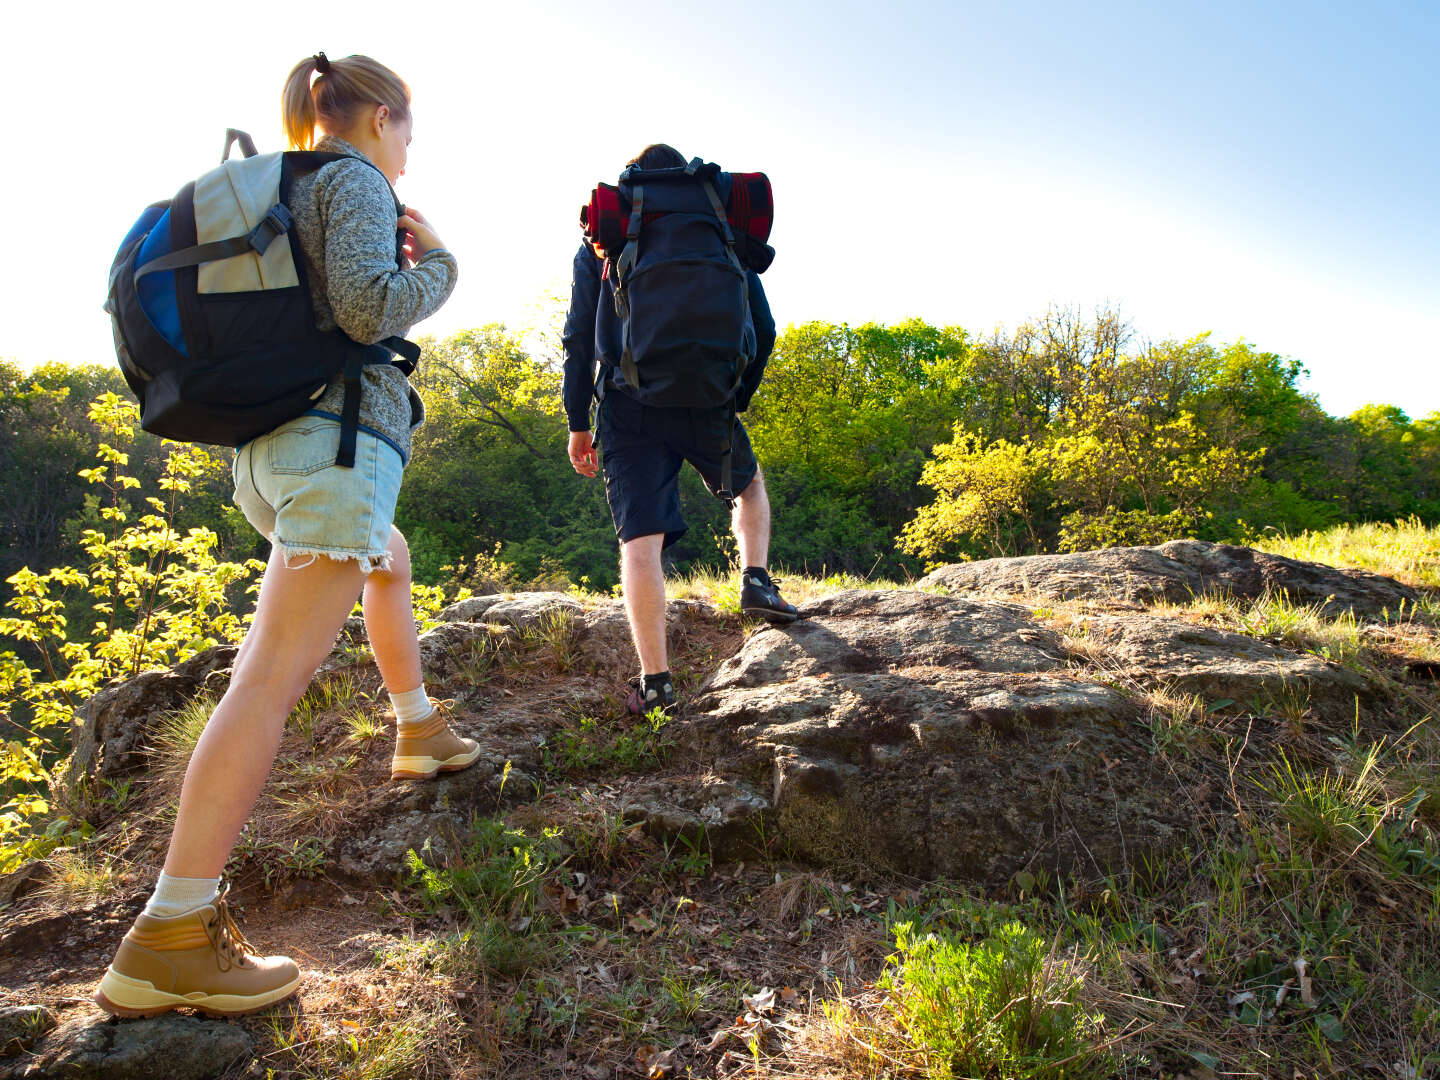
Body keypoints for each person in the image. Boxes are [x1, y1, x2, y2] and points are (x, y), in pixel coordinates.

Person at [94, 52, 477, 1019]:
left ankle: (420, 728)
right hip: (335, 450)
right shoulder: (348, 178)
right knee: (266, 681)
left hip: (279, 454)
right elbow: (367, 308)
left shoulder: (288, 186)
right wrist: (440, 266)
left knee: (384, 560)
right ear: (383, 116)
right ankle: (173, 933)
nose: (408, 149)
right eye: (408, 130)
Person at [562, 143, 798, 717]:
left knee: (640, 543)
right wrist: (735, 393)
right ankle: (757, 580)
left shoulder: (609, 236)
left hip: (627, 405)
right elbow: (762, 325)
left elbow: (577, 339)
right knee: (748, 485)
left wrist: (577, 424)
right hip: (707, 396)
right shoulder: (718, 226)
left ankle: (657, 682)